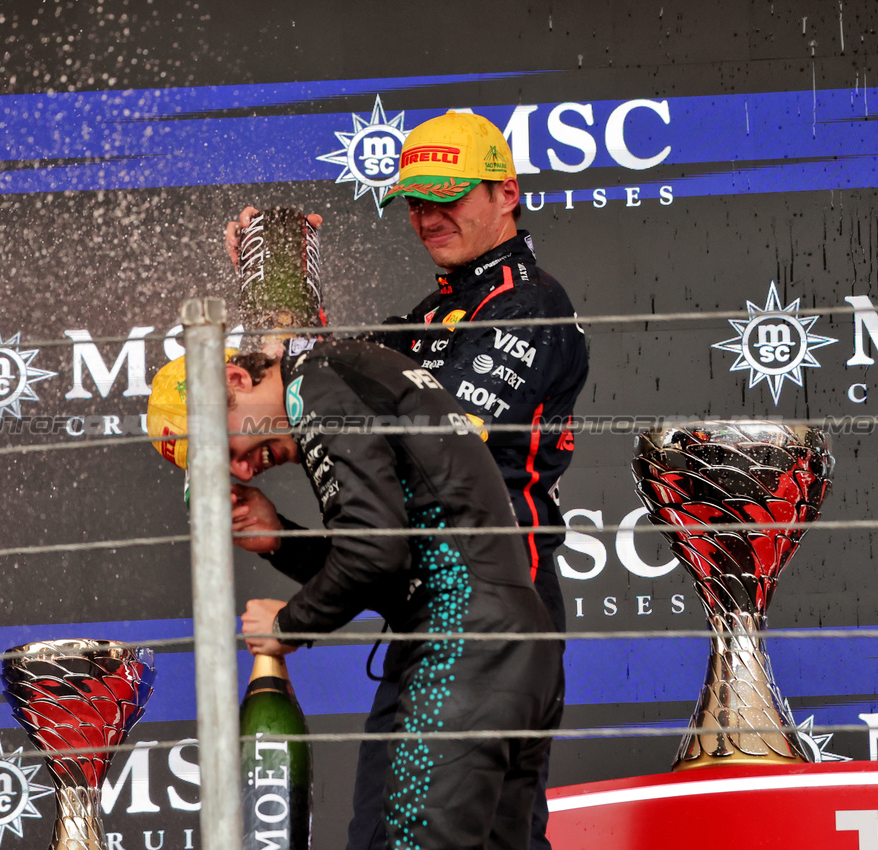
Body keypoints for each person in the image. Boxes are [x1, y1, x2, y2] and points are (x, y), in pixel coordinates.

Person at [225, 110, 588, 850]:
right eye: (416, 201)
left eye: (448, 197)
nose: (428, 217)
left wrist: (289, 337)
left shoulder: (529, 304)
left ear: (507, 193)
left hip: (481, 619)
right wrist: (273, 292)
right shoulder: (431, 315)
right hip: (448, 613)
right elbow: (323, 384)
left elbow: (423, 436)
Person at [148, 338, 564, 850]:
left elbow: (374, 552)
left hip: (463, 654)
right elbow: (399, 568)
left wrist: (288, 624)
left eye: (223, 449)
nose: (242, 470)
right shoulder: (342, 373)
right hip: (512, 649)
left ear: (234, 380)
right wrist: (280, 539)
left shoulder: (313, 382)